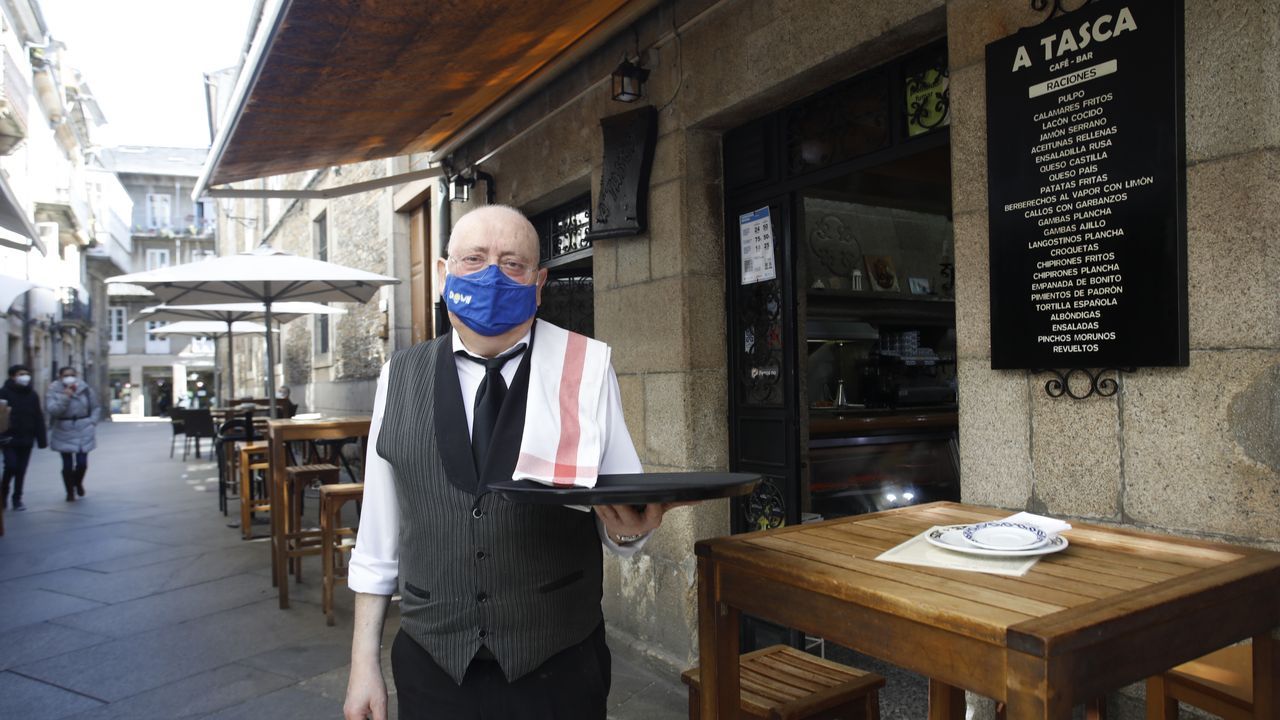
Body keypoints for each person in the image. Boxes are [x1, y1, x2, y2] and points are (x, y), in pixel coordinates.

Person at [343, 206, 686, 720]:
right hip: (434, 665)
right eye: (474, 260)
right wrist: (361, 662)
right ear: (443, 274)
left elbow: (621, 509)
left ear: (540, 282)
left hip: (558, 664)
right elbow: (378, 537)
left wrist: (629, 533)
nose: (492, 277)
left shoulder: (586, 367)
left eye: (512, 264)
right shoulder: (399, 376)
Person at [46, 366, 99, 501]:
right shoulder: (53, 390)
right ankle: (69, 491)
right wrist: (65, 397)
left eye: (71, 375)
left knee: (82, 463)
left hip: (83, 428)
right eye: (65, 375)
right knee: (67, 464)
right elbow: (53, 410)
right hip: (64, 428)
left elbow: (95, 407)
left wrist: (92, 422)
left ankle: (78, 482)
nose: (69, 377)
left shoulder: (85, 389)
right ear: (60, 377)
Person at [0, 364, 47, 510]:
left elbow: (38, 416)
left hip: (26, 437)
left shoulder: (32, 394)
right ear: (13, 376)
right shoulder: (4, 392)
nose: (24, 376)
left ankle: (17, 498)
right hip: (8, 438)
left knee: (21, 469)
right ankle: (3, 494)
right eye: (21, 374)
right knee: (11, 466)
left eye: (26, 373)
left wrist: (41, 439)